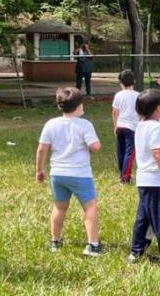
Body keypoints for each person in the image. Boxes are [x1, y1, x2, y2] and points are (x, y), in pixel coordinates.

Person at [35, 87, 103, 256]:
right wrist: (95, 145)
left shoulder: (51, 124)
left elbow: (42, 149)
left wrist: (39, 170)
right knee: (90, 207)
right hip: (80, 174)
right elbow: (94, 147)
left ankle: (55, 242)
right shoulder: (85, 125)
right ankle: (93, 245)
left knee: (59, 207)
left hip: (57, 173)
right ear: (79, 106)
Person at [128, 89, 160, 268]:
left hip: (144, 180)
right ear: (159, 108)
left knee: (144, 218)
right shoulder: (157, 128)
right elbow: (158, 154)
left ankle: (136, 251)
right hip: (157, 182)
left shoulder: (141, 126)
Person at [111, 70, 139, 183]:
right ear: (134, 81)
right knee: (130, 152)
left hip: (120, 125)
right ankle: (125, 177)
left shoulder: (118, 95)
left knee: (121, 151)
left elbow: (114, 112)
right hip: (132, 127)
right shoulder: (137, 95)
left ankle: (122, 173)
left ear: (120, 83)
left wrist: (115, 125)